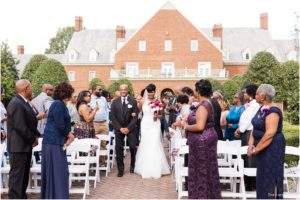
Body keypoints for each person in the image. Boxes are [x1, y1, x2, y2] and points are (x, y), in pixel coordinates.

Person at [182, 79, 221, 199]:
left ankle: (202, 196)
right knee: (207, 170)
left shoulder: (203, 106)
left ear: (198, 92)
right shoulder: (209, 103)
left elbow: (200, 126)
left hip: (202, 143)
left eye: (195, 91)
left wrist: (186, 126)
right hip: (205, 141)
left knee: (202, 171)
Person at [247, 84, 285, 199]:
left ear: (262, 96)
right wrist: (250, 144)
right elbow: (255, 126)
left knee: (269, 177)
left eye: (257, 93)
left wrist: (256, 149)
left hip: (272, 148)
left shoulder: (273, 111)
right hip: (262, 147)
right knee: (262, 177)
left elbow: (269, 134)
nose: (255, 95)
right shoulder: (262, 108)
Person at [41, 82, 75, 199]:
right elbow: (59, 124)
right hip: (53, 142)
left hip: (55, 142)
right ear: (67, 93)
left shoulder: (59, 104)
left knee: (58, 171)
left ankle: (55, 195)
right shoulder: (58, 105)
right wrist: (69, 135)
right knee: (59, 172)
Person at [6, 79, 39, 199]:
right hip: (18, 147)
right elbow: (20, 126)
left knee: (23, 178)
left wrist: (37, 135)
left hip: (24, 146)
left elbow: (30, 122)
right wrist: (33, 139)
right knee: (17, 179)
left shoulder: (23, 102)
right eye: (31, 87)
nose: (32, 90)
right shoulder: (16, 103)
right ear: (26, 89)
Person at [135, 83, 170, 179]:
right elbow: (137, 112)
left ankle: (156, 168)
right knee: (145, 143)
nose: (150, 94)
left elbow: (161, 115)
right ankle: (145, 168)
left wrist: (157, 115)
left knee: (155, 143)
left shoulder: (158, 101)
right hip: (145, 124)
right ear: (146, 92)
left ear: (154, 91)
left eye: (152, 91)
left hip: (155, 124)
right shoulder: (142, 101)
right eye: (149, 92)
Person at [235, 84, 260, 191]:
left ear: (250, 94)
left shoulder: (255, 105)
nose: (244, 94)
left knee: (250, 158)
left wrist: (240, 129)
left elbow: (249, 119)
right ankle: (248, 182)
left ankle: (252, 184)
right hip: (245, 131)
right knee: (246, 158)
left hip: (249, 132)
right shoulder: (249, 104)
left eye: (245, 92)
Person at [111, 84, 138, 177]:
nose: (123, 91)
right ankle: (120, 170)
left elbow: (135, 117)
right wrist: (120, 128)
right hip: (119, 129)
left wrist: (128, 128)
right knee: (118, 148)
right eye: (121, 90)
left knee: (133, 147)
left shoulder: (133, 101)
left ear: (127, 90)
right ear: (119, 90)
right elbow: (113, 117)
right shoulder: (114, 102)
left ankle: (132, 166)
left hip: (131, 128)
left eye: (125, 90)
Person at [89, 84, 109, 165]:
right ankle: (93, 162)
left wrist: (107, 120)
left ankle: (102, 162)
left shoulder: (103, 98)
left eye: (101, 89)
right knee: (94, 143)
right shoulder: (89, 99)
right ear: (94, 90)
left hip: (104, 123)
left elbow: (106, 110)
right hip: (94, 123)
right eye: (99, 89)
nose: (101, 91)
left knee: (103, 143)